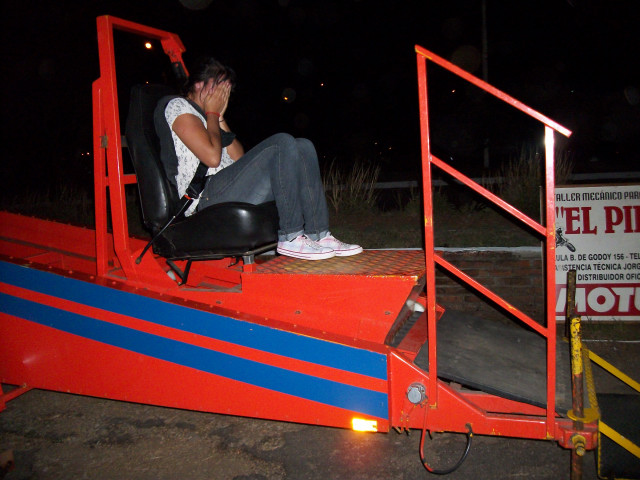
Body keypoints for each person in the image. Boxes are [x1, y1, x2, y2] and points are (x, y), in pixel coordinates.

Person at [161, 57, 362, 260]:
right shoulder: (178, 106)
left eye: (227, 90)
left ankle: (319, 235)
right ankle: (291, 236)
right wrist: (212, 112)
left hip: (226, 188)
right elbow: (212, 158)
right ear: (199, 84)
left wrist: (219, 117)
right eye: (219, 87)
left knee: (303, 146)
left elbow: (238, 159)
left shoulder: (211, 119)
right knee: (280, 142)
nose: (223, 95)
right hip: (203, 197)